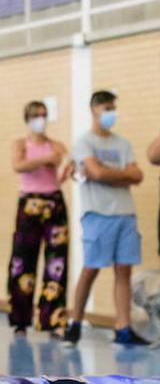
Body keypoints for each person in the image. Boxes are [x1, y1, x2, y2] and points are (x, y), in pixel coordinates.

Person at [64, 91, 149, 346]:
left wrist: (107, 173)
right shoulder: (84, 142)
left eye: (113, 108)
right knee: (91, 269)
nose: (111, 113)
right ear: (94, 110)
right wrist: (119, 173)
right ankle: (75, 324)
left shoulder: (122, 143)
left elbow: (138, 175)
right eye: (106, 108)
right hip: (98, 215)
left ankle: (123, 329)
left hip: (125, 214)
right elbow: (96, 172)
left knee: (124, 271)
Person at [7, 100, 72, 337]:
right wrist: (44, 160)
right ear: (27, 118)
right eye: (36, 115)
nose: (40, 119)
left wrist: (67, 168)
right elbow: (18, 165)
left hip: (53, 201)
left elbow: (64, 162)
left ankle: (52, 318)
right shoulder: (20, 144)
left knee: (57, 261)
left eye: (44, 115)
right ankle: (20, 319)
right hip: (29, 203)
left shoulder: (56, 145)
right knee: (23, 260)